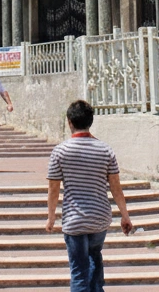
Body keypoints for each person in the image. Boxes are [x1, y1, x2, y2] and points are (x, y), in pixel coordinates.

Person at [45, 99, 134, 292]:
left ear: (69, 121)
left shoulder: (60, 151)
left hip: (74, 220)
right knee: (95, 257)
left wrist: (51, 217)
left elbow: (53, 189)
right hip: (100, 218)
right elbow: (116, 188)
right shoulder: (105, 149)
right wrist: (125, 216)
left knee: (79, 272)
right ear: (90, 121)